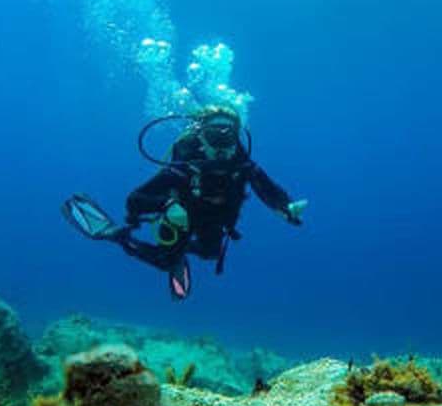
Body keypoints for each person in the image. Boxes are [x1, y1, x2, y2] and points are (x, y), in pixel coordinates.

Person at [62, 105, 307, 300]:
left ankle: (180, 254)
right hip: (180, 221)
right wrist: (168, 206)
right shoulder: (183, 169)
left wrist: (285, 208)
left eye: (228, 137)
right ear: (201, 138)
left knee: (210, 254)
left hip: (214, 222)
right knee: (164, 261)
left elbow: (268, 189)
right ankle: (115, 235)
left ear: (236, 137)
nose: (222, 148)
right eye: (214, 137)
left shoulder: (243, 167)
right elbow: (136, 200)